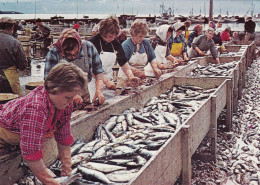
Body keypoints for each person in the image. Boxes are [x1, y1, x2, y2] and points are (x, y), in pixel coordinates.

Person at [0, 62, 88, 185]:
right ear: (54, 89)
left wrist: (67, 169)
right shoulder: (35, 108)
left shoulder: (64, 104)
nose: (71, 101)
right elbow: (31, 153)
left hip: (22, 131)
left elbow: (63, 136)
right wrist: (50, 182)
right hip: (3, 130)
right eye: (68, 97)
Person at [44, 28, 105, 105]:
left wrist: (99, 90)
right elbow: (48, 81)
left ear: (79, 43)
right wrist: (71, 94)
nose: (72, 53)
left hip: (84, 92)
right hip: (62, 95)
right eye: (68, 51)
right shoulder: (54, 52)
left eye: (75, 49)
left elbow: (98, 70)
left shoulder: (88, 47)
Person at [88, 16, 140, 93]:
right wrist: (105, 81)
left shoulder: (115, 43)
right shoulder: (92, 43)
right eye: (110, 36)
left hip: (110, 82)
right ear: (103, 32)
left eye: (115, 36)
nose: (113, 39)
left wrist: (131, 76)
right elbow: (89, 68)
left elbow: (123, 61)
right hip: (93, 83)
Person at [119, 19, 162, 86]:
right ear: (133, 34)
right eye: (140, 36)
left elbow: (152, 58)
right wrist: (138, 73)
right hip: (125, 79)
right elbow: (123, 64)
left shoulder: (145, 43)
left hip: (141, 78)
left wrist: (155, 69)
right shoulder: (126, 45)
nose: (142, 38)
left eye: (144, 36)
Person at [0, 17, 27, 97]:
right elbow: (22, 65)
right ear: (12, 27)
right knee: (14, 102)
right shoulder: (15, 42)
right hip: (9, 78)